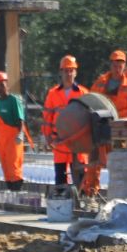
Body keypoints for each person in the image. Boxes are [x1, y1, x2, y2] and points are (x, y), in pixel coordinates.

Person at [41, 55, 86, 187]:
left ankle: (81, 203)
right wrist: (47, 137)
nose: (68, 73)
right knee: (60, 178)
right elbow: (46, 118)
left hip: (77, 143)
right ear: (61, 72)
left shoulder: (83, 93)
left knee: (80, 177)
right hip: (59, 141)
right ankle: (62, 204)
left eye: (71, 70)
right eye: (66, 70)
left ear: (75, 72)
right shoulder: (53, 93)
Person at [0, 71, 31, 191]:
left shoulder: (14, 100)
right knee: (6, 167)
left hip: (13, 139)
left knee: (14, 167)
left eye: (1, 85)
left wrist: (20, 134)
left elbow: (20, 120)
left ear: (6, 84)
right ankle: (11, 192)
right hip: (2, 140)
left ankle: (17, 191)